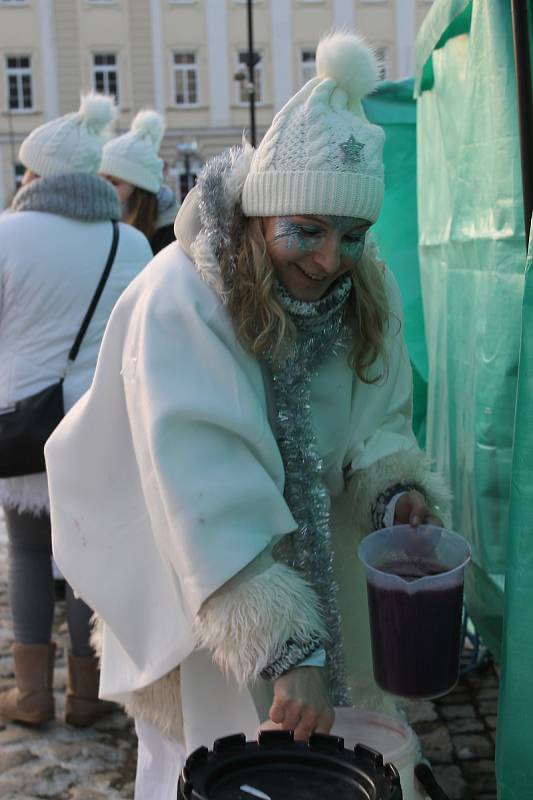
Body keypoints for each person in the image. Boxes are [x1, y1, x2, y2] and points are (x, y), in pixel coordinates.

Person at [45, 32, 450, 798]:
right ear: (262, 217)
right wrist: (284, 647)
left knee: (338, 764)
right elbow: (198, 476)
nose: (330, 259)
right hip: (208, 595)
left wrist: (395, 491)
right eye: (307, 230)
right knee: (221, 757)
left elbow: (379, 418)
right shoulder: (184, 295)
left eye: (351, 236)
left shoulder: (367, 289)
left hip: (330, 575)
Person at [0, 93, 153, 728]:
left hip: (20, 422)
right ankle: (89, 695)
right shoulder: (132, 244)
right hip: (96, 426)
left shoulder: (7, 235)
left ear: (37, 174)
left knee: (29, 554)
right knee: (90, 557)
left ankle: (31, 694)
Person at [99, 109, 179, 254]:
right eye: (100, 179)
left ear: (140, 190)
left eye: (114, 183)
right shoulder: (105, 226)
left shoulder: (171, 237)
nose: (103, 188)